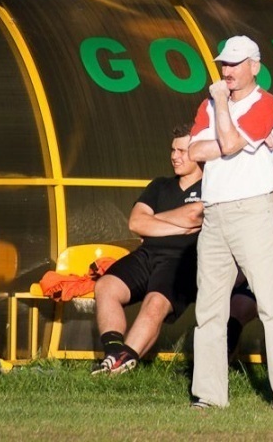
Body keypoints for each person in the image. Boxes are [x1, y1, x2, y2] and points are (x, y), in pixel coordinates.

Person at [188, 34, 273, 411]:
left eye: (235, 63)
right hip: (214, 213)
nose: (227, 70)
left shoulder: (265, 102)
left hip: (253, 211)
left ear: (255, 66)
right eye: (224, 63)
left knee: (272, 305)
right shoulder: (206, 104)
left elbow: (228, 143)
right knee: (209, 311)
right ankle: (209, 396)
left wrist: (222, 108)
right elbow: (194, 150)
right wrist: (226, 141)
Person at [91, 124, 204, 375]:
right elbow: (136, 223)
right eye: (173, 150)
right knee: (106, 286)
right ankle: (113, 354)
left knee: (155, 303)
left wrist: (154, 221)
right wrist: (178, 225)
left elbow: (195, 215)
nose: (174, 156)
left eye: (182, 151)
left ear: (200, 153)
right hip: (147, 254)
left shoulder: (213, 187)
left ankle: (120, 366)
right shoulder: (159, 185)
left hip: (182, 261)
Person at [227, 172, 273, 359]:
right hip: (230, 263)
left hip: (264, 266)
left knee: (237, 310)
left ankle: (222, 363)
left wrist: (242, 270)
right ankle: (213, 367)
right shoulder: (232, 182)